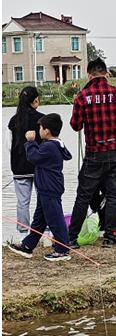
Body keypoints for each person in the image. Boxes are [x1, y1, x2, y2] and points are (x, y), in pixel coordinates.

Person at [68, 58, 116, 249]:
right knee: (113, 195)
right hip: (115, 153)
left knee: (83, 196)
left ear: (89, 74)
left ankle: (72, 238)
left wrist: (78, 106)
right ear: (106, 73)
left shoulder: (82, 96)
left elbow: (75, 125)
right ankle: (110, 237)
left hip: (94, 153)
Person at [8, 113, 73, 261]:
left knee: (55, 219)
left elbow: (33, 157)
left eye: (41, 128)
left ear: (47, 131)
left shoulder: (50, 146)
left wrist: (30, 142)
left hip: (49, 188)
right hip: (47, 188)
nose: (39, 130)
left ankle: (62, 249)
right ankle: (28, 246)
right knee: (39, 220)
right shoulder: (56, 144)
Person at [8, 86, 44, 238]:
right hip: (39, 166)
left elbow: (8, 146)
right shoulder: (43, 119)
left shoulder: (13, 121)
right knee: (43, 199)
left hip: (19, 167)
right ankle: (44, 230)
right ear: (35, 100)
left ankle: (23, 234)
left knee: (22, 202)